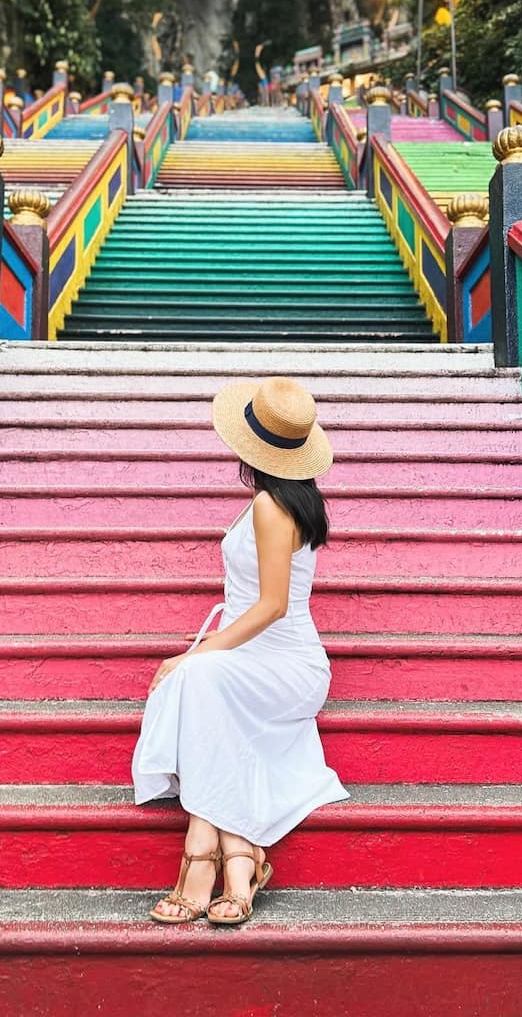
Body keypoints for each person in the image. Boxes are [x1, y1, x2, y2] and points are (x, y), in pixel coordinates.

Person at [131, 375, 349, 925]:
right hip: (256, 655)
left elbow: (273, 605)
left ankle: (205, 860)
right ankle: (242, 859)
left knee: (196, 680)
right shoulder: (286, 500)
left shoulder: (271, 506)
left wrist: (197, 654)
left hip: (286, 662)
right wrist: (207, 650)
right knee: (203, 689)